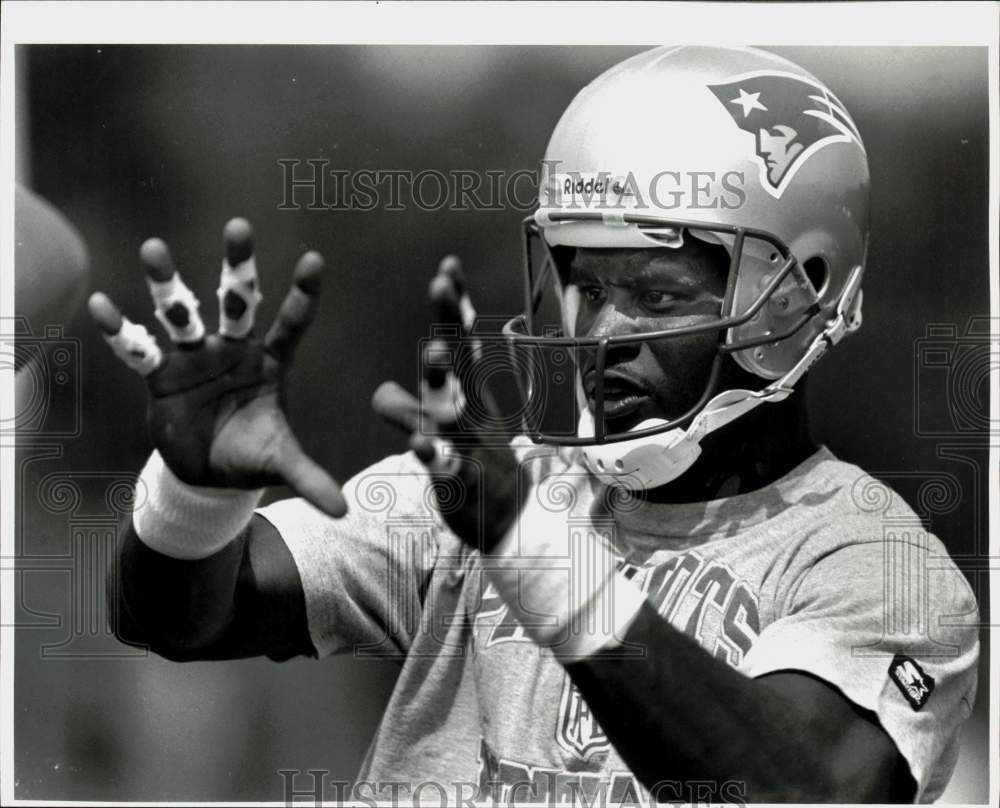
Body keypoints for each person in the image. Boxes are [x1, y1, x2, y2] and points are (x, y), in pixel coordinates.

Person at [93, 46, 978, 804]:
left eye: (654, 293)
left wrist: (537, 556)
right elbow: (178, 620)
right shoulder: (493, 488)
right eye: (585, 285)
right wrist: (194, 492)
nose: (597, 334)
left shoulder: (873, 564)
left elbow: (801, 792)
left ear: (793, 297)